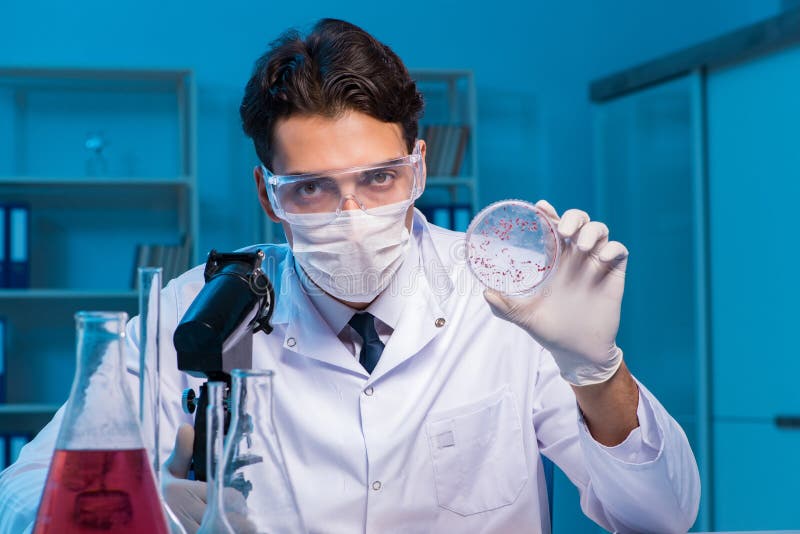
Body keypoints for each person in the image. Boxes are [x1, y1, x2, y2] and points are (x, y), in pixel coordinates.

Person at [0, 18, 699, 534]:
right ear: (266, 193)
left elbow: (663, 517)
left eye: (380, 178)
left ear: (418, 168)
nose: (353, 213)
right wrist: (152, 493)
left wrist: (594, 368)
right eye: (311, 189)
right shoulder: (198, 311)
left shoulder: (511, 295)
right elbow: (24, 494)